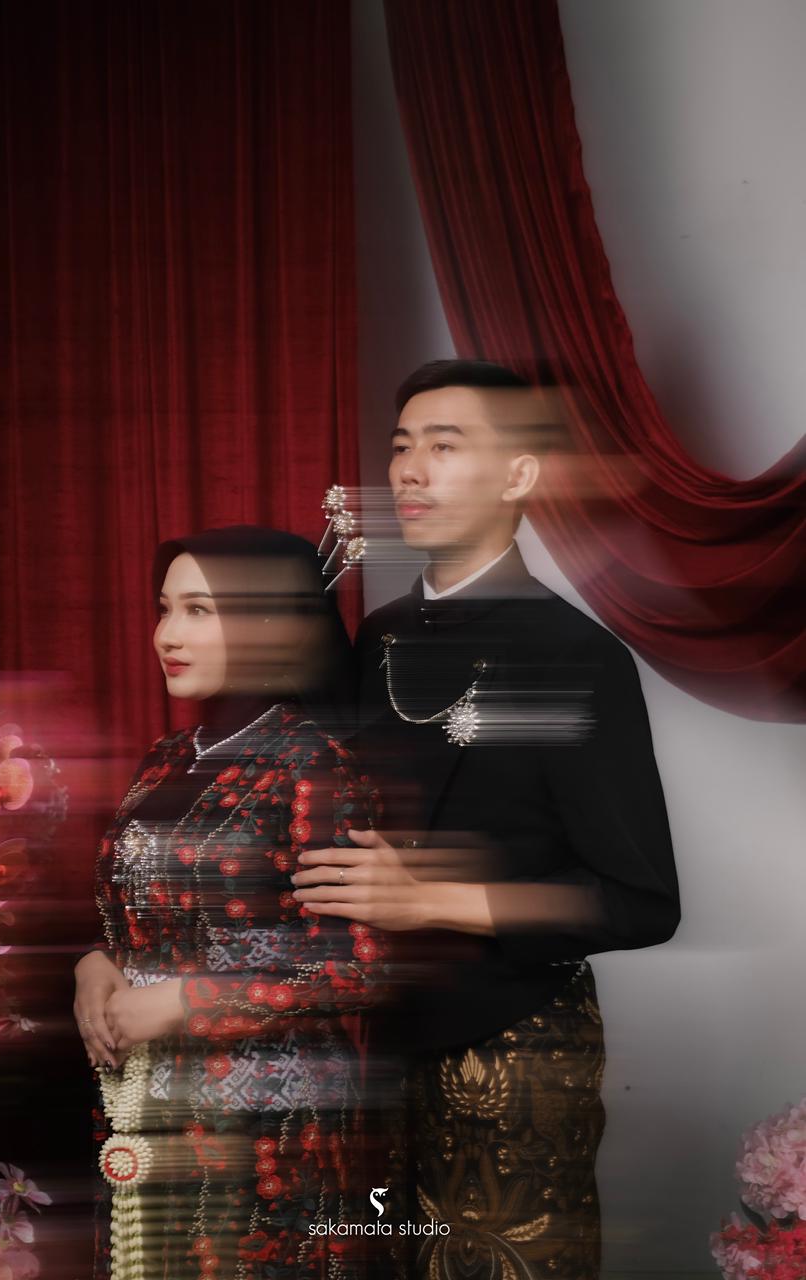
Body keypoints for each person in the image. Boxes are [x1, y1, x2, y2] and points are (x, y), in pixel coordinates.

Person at [291, 361, 681, 1279]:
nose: (411, 470)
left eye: (445, 445)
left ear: (519, 475)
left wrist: (430, 900)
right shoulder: (378, 636)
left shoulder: (578, 655)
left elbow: (640, 901)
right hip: (377, 1041)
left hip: (514, 1049)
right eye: (402, 447)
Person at [73, 526, 387, 1280]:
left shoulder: (314, 766)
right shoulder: (165, 759)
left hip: (266, 1126)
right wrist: (94, 963)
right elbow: (139, 914)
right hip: (142, 1098)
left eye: (199, 610)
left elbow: (359, 967)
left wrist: (188, 1002)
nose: (167, 634)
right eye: (165, 608)